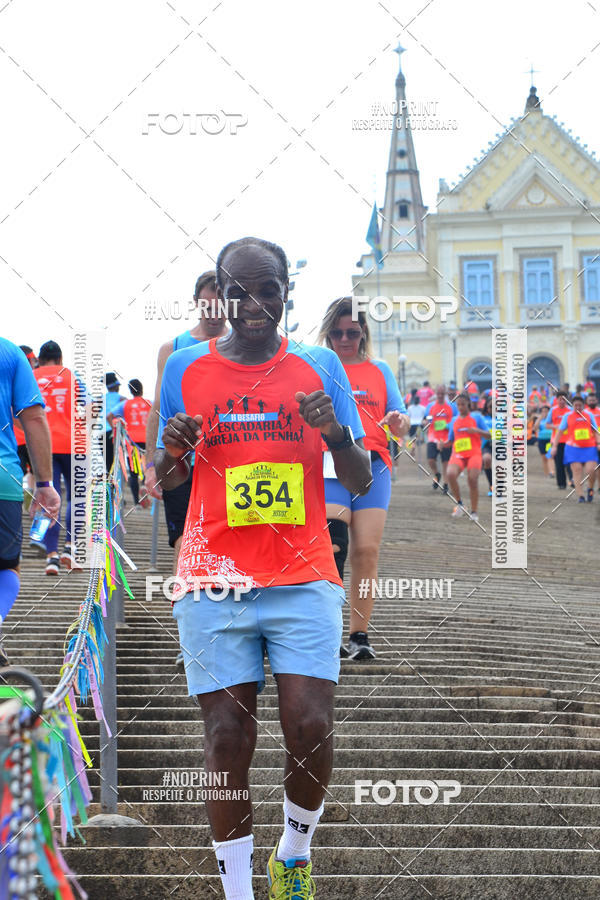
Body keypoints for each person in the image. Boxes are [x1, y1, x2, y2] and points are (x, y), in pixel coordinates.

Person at [155, 237, 371, 900]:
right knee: (226, 736)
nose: (254, 304)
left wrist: (336, 435)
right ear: (219, 295)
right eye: (239, 290)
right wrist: (172, 453)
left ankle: (295, 855)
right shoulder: (185, 369)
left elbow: (359, 478)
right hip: (213, 573)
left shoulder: (317, 367)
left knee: (309, 724)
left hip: (302, 573)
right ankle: (241, 892)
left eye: (268, 289)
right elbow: (162, 480)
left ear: (287, 293)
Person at [317, 298, 409, 661]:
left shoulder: (380, 369)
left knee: (366, 551)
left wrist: (400, 423)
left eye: (352, 333)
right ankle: (328, 631)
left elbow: (399, 416)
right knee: (332, 547)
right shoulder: (319, 366)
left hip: (374, 463)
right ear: (328, 334)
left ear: (363, 333)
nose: (344, 339)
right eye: (337, 333)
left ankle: (359, 634)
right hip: (330, 462)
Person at [145, 271, 227, 571]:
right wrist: (150, 464)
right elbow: (158, 408)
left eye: (221, 307)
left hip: (226, 456)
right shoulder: (174, 349)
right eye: (208, 307)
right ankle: (189, 606)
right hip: (181, 455)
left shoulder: (243, 349)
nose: (214, 315)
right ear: (195, 303)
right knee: (183, 537)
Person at [0, 337, 60, 663]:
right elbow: (34, 418)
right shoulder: (10, 353)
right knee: (6, 566)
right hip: (3, 477)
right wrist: (45, 483)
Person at [34, 341, 85, 574]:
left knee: (48, 498)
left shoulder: (32, 377)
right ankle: (70, 546)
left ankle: (51, 556)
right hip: (75, 444)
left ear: (41, 359)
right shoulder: (72, 377)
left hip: (44, 445)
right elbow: (91, 408)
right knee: (77, 498)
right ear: (60, 358)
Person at [444, 393, 490, 523]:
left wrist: (477, 431)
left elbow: (489, 435)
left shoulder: (477, 417)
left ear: (468, 404)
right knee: (450, 474)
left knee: (472, 479)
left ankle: (474, 511)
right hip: (458, 453)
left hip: (474, 453)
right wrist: (443, 444)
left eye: (463, 404)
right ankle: (460, 505)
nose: (460, 407)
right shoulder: (454, 420)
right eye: (458, 405)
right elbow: (451, 439)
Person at [108, 378, 151, 506]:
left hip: (132, 440)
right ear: (142, 389)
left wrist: (116, 429)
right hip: (148, 439)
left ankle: (137, 503)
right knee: (148, 466)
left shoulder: (125, 404)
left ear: (130, 390)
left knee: (133, 472)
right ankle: (144, 485)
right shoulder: (150, 403)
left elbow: (109, 416)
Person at [551, 395, 600, 502]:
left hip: (589, 447)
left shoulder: (589, 415)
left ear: (583, 405)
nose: (578, 407)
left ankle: (590, 489)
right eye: (575, 405)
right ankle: (581, 495)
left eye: (580, 405)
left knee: (591, 470)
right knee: (577, 471)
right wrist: (554, 446)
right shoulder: (567, 416)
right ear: (572, 405)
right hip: (573, 448)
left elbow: (596, 431)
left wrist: (599, 442)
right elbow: (559, 432)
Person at [423, 385, 457, 493]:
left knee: (445, 462)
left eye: (443, 393)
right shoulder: (430, 406)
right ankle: (437, 474)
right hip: (433, 437)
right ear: (435, 394)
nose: (441, 396)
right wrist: (426, 423)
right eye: (439, 393)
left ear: (446, 394)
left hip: (446, 438)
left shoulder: (451, 407)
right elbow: (426, 419)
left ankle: (446, 485)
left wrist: (446, 426)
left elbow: (454, 421)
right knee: (431, 460)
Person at [541, 391, 571, 489]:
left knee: (570, 463)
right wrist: (556, 426)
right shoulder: (553, 410)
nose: (562, 401)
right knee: (559, 463)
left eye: (564, 399)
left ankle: (572, 481)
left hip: (569, 441)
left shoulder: (570, 410)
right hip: (556, 441)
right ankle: (561, 484)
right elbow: (547, 425)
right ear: (556, 399)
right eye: (560, 399)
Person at [105, 372, 126, 473]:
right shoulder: (122, 399)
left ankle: (110, 487)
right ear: (117, 386)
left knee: (109, 465)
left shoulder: (100, 399)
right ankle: (118, 487)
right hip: (116, 432)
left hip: (103, 433)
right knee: (119, 462)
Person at [534, 404, 555, 478]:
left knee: (549, 455)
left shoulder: (551, 419)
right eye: (543, 411)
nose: (544, 413)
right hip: (541, 440)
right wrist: (539, 419)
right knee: (544, 457)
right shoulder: (540, 420)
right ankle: (546, 473)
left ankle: (551, 472)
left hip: (549, 440)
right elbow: (535, 429)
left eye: (546, 411)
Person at [480, 394, 494, 496]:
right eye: (490, 407)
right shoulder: (483, 419)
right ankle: (491, 485)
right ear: (487, 408)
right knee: (487, 459)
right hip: (487, 445)